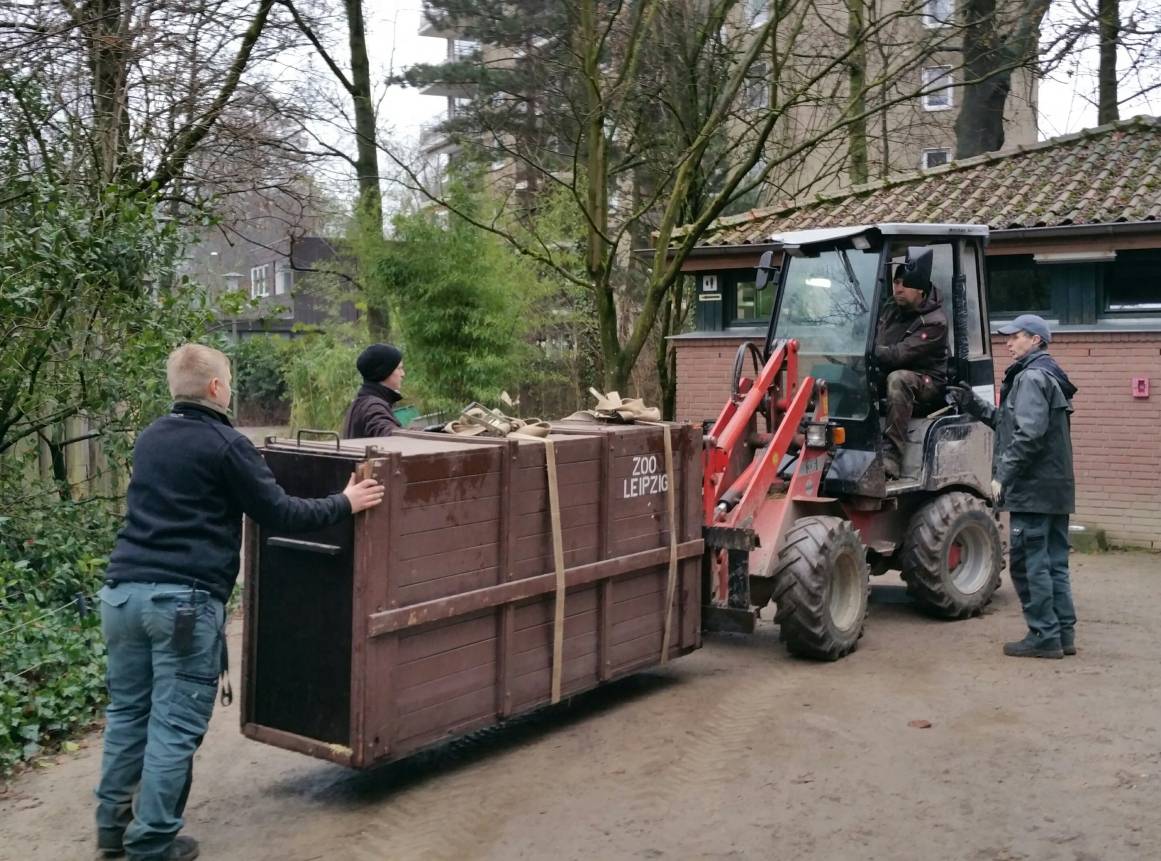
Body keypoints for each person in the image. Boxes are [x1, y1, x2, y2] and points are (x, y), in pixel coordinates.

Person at [94, 344, 384, 861]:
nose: (231, 388)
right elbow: (279, 512)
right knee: (173, 724)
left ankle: (113, 832)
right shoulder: (227, 445)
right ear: (215, 389)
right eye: (228, 380)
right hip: (180, 603)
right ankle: (153, 843)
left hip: (120, 597)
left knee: (128, 715)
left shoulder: (151, 438)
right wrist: (346, 502)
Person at [949, 314, 1078, 659]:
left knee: (1028, 564)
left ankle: (1044, 636)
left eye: (1016, 336)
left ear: (1036, 340)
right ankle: (1063, 634)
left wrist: (1002, 475)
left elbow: (1028, 435)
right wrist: (972, 404)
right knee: (1053, 562)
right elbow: (1011, 423)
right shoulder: (1048, 375)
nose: (1008, 343)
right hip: (1055, 489)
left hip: (1033, 490)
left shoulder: (1032, 378)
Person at [873, 248, 948, 478]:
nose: (898, 288)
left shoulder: (935, 322)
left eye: (904, 283)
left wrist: (868, 352)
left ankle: (891, 457)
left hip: (927, 381)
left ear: (921, 290)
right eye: (896, 282)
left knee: (898, 380)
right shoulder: (889, 308)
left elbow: (899, 355)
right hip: (888, 368)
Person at [341, 343, 405, 438]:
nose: (403, 374)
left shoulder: (363, 402)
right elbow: (388, 433)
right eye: (399, 368)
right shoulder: (373, 407)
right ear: (384, 371)